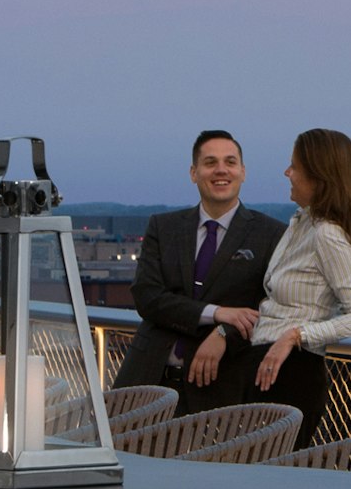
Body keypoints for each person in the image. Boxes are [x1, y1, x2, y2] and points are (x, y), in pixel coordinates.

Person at [112, 131, 279, 413]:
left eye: (230, 162)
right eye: (210, 162)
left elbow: (272, 309)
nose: (221, 170)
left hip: (219, 389)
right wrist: (216, 313)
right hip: (146, 380)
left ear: (243, 172)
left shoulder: (272, 234)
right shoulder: (163, 228)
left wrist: (224, 332)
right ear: (194, 172)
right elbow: (147, 297)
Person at [242, 128, 351, 429]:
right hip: (266, 368)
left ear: (319, 176)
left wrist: (295, 335)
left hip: (292, 374)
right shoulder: (300, 224)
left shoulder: (327, 234)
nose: (287, 172)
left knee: (271, 472)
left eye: (294, 166)